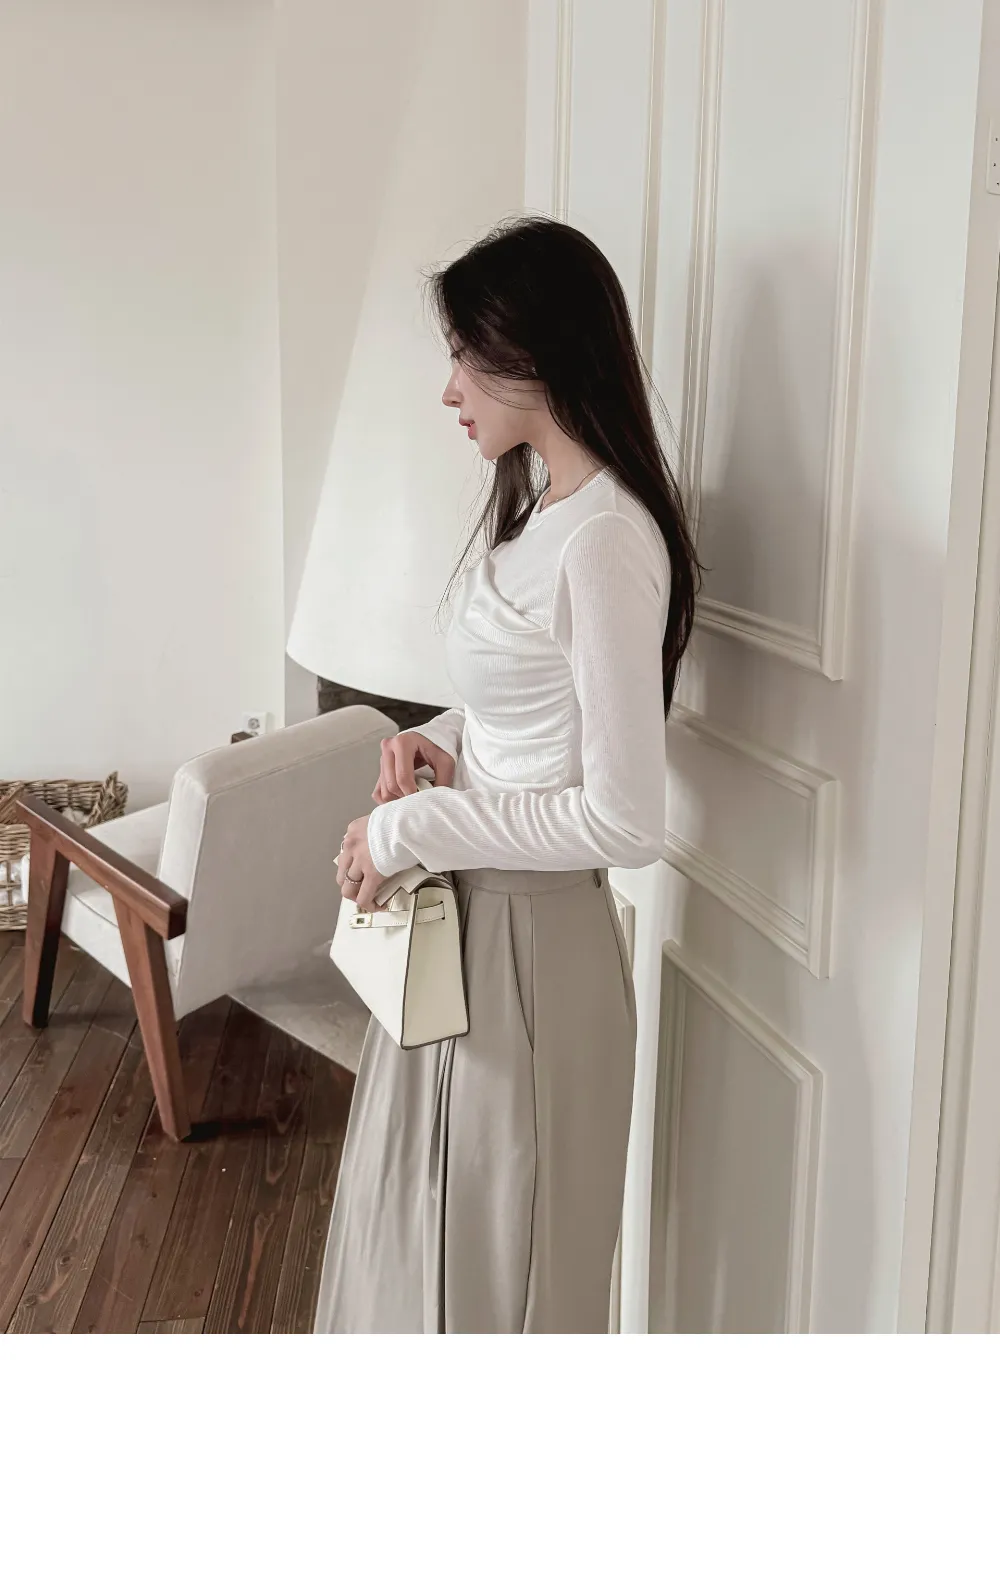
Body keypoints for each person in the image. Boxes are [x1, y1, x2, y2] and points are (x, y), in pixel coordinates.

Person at [314, 214, 702, 1334]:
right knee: (435, 1257)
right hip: (479, 936)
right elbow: (530, 714)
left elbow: (625, 820)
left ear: (530, 352)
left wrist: (410, 831)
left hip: (534, 952)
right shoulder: (547, 516)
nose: (449, 390)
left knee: (499, 1283)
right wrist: (445, 742)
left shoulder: (604, 542)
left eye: (462, 356)